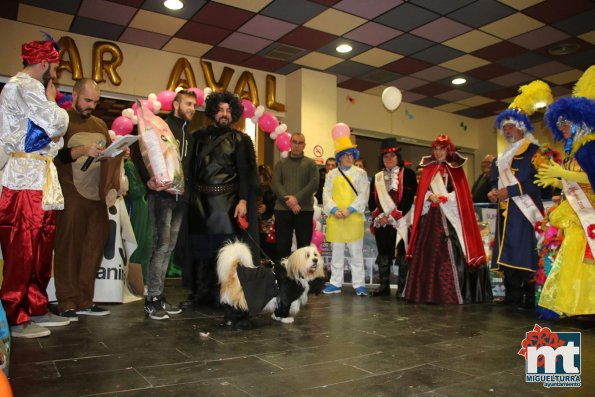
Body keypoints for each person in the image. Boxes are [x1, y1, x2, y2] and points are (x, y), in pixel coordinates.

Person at [0, 37, 70, 338]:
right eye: (53, 67)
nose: (54, 73)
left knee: (41, 246)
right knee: (23, 248)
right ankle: (16, 316)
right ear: (44, 64)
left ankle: (35, 306)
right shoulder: (24, 86)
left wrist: (52, 133)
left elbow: (53, 142)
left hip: (40, 177)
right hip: (22, 179)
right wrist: (55, 105)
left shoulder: (30, 89)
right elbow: (55, 126)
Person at [53, 78, 126, 321]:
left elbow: (106, 157)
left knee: (93, 249)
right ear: (74, 95)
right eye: (87, 100)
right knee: (68, 248)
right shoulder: (61, 120)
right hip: (71, 193)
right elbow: (53, 156)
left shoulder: (99, 124)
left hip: (97, 196)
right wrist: (82, 151)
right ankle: (66, 301)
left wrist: (120, 151)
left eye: (95, 101)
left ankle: (85, 300)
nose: (92, 105)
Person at [186, 91, 257, 307]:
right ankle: (200, 294)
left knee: (224, 252)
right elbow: (189, 169)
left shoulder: (241, 140)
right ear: (213, 112)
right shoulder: (197, 137)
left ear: (233, 113)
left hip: (226, 202)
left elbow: (246, 173)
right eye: (220, 110)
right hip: (200, 201)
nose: (224, 114)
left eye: (228, 110)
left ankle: (225, 296)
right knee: (201, 250)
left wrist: (243, 201)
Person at [535, 66, 595, 318]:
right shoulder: (574, 150)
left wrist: (563, 175)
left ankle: (587, 307)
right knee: (571, 259)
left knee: (584, 259)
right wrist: (558, 180)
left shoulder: (590, 147)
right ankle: (576, 306)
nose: (563, 126)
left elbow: (590, 178)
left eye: (566, 122)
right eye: (559, 123)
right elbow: (575, 182)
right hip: (575, 212)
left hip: (589, 211)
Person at [488, 81, 553, 310]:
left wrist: (511, 190)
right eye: (504, 128)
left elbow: (539, 182)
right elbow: (494, 181)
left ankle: (525, 296)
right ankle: (511, 294)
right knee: (506, 251)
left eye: (510, 127)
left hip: (524, 211)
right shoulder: (502, 156)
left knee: (523, 251)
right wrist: (494, 192)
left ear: (521, 128)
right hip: (506, 212)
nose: (506, 132)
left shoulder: (534, 152)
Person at [404, 135, 490, 304]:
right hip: (432, 217)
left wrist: (445, 198)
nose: (438, 153)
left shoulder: (456, 170)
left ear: (448, 150)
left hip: (450, 217)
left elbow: (461, 194)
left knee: (452, 250)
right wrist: (430, 197)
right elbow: (422, 192)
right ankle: (425, 293)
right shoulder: (428, 169)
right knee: (427, 253)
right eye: (435, 149)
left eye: (441, 149)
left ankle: (451, 292)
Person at [139, 89, 196, 320]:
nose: (192, 108)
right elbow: (143, 153)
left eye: (194, 105)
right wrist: (148, 181)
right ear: (175, 105)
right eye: (188, 104)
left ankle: (159, 295)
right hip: (161, 196)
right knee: (160, 246)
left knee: (169, 248)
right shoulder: (160, 127)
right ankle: (151, 298)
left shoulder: (190, 137)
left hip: (181, 199)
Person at [322, 130, 370, 296]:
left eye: (352, 155)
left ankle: (359, 284)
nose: (350, 158)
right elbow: (326, 195)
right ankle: (335, 283)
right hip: (336, 219)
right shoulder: (331, 175)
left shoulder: (361, 174)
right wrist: (334, 210)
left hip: (354, 218)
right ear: (340, 157)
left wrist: (350, 209)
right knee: (337, 253)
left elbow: (364, 194)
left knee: (356, 252)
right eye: (346, 155)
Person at [368, 138, 417, 297]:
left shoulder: (408, 174)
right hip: (382, 222)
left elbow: (408, 199)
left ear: (398, 158)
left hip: (401, 221)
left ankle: (402, 288)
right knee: (383, 253)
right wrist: (379, 216)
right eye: (385, 157)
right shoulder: (377, 177)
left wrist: (391, 217)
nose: (388, 159)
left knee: (402, 254)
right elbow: (371, 200)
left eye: (392, 156)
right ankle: (384, 286)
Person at [272, 132, 319, 260]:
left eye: (300, 143)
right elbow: (275, 184)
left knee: (304, 248)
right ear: (290, 143)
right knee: (282, 246)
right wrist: (289, 201)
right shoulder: (281, 163)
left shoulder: (311, 164)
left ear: (304, 145)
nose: (297, 145)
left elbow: (314, 184)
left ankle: (302, 278)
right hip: (282, 209)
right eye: (294, 142)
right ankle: (283, 277)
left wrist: (296, 199)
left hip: (304, 210)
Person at [257, 164, 277, 264]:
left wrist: (267, 208)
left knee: (268, 246)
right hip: (258, 222)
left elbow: (276, 205)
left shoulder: (273, 189)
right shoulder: (255, 189)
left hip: (268, 223)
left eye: (260, 175)